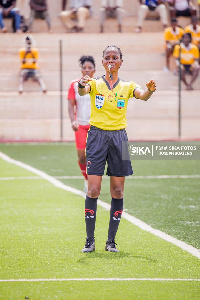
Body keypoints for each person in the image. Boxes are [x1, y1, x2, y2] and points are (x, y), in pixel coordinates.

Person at [78, 45, 156, 253]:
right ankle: (89, 240)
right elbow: (83, 91)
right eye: (107, 57)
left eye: (115, 57)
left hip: (119, 138)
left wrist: (149, 89)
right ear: (102, 62)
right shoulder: (94, 84)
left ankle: (111, 241)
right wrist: (80, 84)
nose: (111, 60)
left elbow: (143, 95)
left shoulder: (128, 86)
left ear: (121, 62)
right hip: (97, 137)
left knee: (118, 190)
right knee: (93, 189)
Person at [68, 55, 96, 193]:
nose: (87, 70)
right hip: (80, 125)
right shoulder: (74, 84)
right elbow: (70, 104)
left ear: (94, 70)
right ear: (81, 70)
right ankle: (86, 179)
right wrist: (72, 120)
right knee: (81, 155)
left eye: (90, 68)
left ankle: (93, 181)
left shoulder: (99, 84)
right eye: (84, 68)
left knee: (94, 155)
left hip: (95, 125)